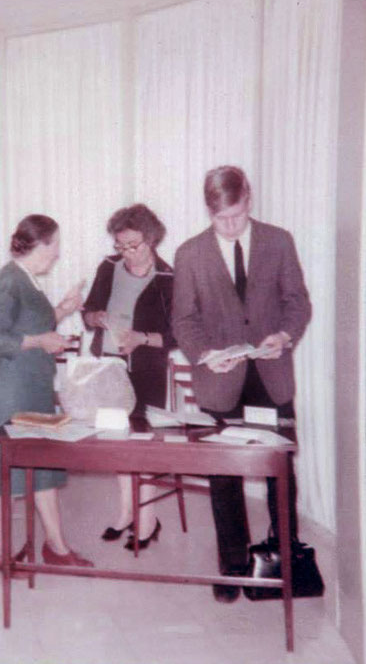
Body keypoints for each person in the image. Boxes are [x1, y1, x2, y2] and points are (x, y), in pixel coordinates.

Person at [172, 165, 311, 603]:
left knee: (279, 470)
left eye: (236, 215)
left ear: (248, 198)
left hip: (270, 375)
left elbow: (297, 301)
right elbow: (183, 319)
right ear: (208, 212)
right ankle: (233, 564)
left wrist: (283, 336)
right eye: (220, 220)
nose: (230, 227)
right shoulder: (189, 253)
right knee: (224, 474)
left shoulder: (278, 240)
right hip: (220, 378)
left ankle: (284, 556)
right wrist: (204, 355)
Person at [0, 214, 93, 572]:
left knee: (43, 466)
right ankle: (1, 553)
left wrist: (64, 309)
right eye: (55, 245)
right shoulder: (9, 280)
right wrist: (43, 341)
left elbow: (32, 324)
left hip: (31, 387)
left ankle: (56, 547)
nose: (58, 253)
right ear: (41, 244)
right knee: (4, 472)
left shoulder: (27, 280)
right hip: (10, 392)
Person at [83, 204, 175, 551]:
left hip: (148, 370)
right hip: (109, 368)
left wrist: (141, 339)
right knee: (116, 442)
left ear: (151, 239)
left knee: (143, 444)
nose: (125, 253)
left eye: (132, 245)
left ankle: (148, 519)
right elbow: (88, 311)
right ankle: (125, 512)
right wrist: (95, 317)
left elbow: (176, 334)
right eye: (120, 245)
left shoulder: (168, 278)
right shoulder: (108, 267)